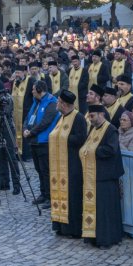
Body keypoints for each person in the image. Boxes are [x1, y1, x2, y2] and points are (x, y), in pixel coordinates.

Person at [80, 104, 124, 248]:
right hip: (94, 174)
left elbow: (111, 149)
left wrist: (92, 151)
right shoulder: (93, 129)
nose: (90, 119)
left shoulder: (110, 129)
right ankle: (93, 236)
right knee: (95, 208)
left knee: (104, 209)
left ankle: (106, 239)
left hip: (106, 175)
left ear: (101, 114)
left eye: (92, 116)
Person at [49, 90, 88, 235]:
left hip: (72, 165)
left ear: (64, 104)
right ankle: (60, 225)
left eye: (58, 101)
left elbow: (81, 138)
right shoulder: (62, 117)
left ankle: (73, 229)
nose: (57, 104)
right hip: (58, 165)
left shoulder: (78, 118)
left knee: (72, 197)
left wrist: (63, 139)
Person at [22, 80, 58, 202]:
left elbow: (45, 122)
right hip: (35, 141)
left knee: (46, 170)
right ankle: (43, 193)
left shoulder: (51, 103)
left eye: (33, 89)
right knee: (39, 170)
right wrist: (25, 128)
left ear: (39, 90)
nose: (31, 91)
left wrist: (31, 132)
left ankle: (50, 196)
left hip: (44, 142)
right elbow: (28, 117)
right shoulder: (36, 102)